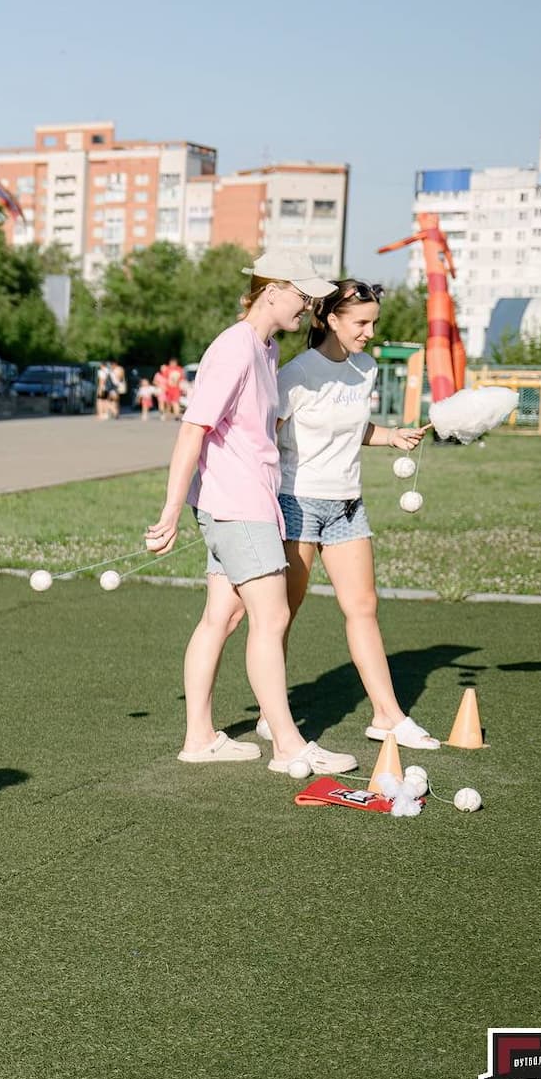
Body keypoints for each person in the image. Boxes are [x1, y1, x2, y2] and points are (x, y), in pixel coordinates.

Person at [145, 251, 359, 776]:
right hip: (238, 505)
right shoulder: (235, 348)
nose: (309, 307)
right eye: (303, 296)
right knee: (272, 617)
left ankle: (199, 738)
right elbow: (192, 429)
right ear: (272, 290)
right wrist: (170, 510)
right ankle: (287, 745)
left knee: (223, 616)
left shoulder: (266, 349)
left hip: (245, 502)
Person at [263, 280, 436, 748]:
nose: (369, 333)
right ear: (330, 319)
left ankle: (387, 716)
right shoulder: (297, 374)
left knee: (363, 608)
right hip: (297, 503)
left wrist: (391, 436)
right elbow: (265, 437)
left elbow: (351, 428)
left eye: (373, 322)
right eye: (361, 323)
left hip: (348, 505)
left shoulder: (366, 369)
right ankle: (271, 712)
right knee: (281, 614)